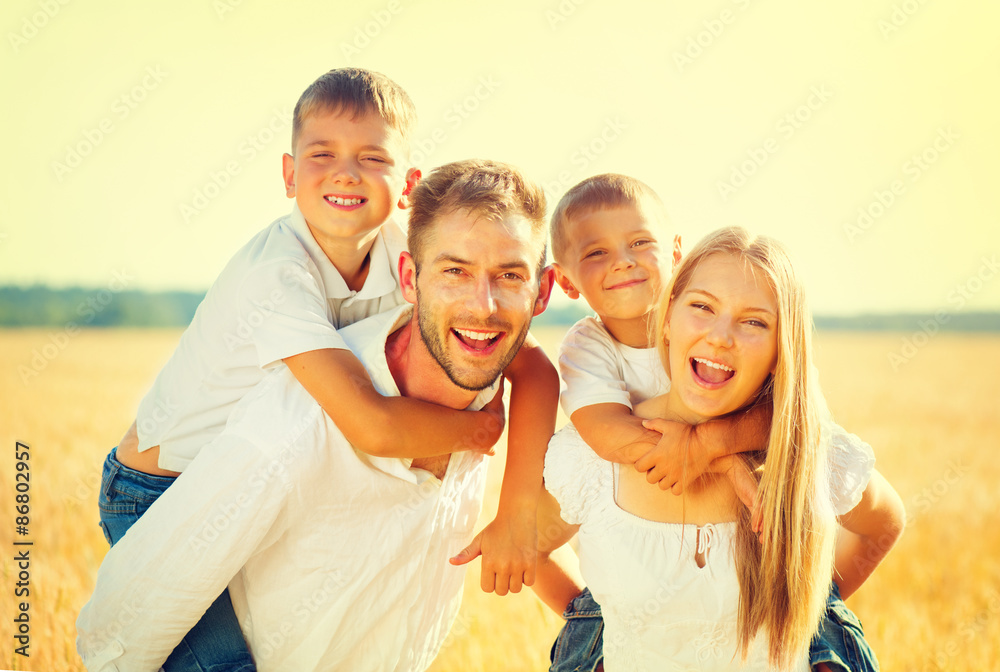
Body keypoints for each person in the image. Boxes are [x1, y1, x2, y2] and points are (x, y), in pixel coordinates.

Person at [96, 70, 555, 669]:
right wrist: (478, 432)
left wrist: (518, 509)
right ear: (289, 175)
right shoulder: (276, 276)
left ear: (408, 184)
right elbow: (373, 426)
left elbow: (535, 368)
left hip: (255, 482)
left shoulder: (415, 254)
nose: (346, 172)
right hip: (159, 488)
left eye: (371, 157)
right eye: (322, 155)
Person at [536, 175, 904, 671]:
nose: (720, 337)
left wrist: (812, 602)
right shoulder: (592, 429)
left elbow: (883, 521)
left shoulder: (808, 450)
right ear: (668, 318)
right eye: (702, 308)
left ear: (781, 351)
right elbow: (529, 543)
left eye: (754, 322)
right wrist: (596, 629)